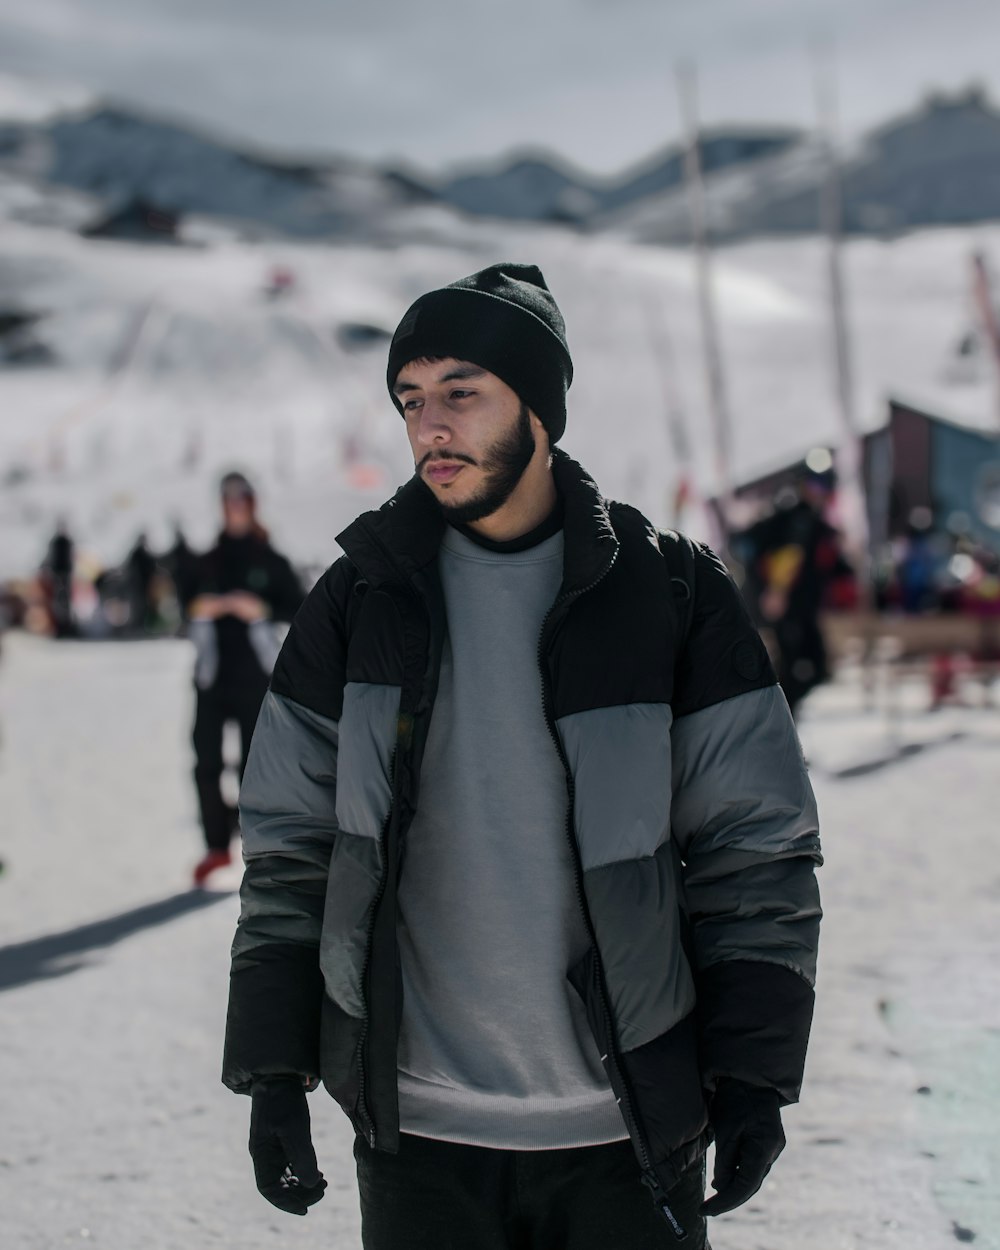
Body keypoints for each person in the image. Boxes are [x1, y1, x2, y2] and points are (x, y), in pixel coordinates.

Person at [222, 264, 822, 1248]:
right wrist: (274, 1069)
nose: (430, 425)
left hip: (623, 1129)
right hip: (415, 1135)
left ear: (539, 410)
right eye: (411, 399)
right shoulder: (359, 597)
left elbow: (752, 842)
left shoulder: (666, 590)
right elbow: (293, 843)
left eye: (461, 391)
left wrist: (751, 1073)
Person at [184, 473, 304, 887]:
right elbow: (183, 603)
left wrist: (260, 608)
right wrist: (204, 606)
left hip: (256, 677)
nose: (235, 507)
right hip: (212, 677)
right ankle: (216, 844)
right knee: (205, 761)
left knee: (255, 767)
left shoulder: (270, 559)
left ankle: (257, 844)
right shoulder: (208, 558)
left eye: (241, 499)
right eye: (228, 500)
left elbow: (301, 610)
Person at [734, 466, 852, 720]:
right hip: (785, 607)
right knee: (795, 668)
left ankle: (779, 722)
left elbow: (827, 567)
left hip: (803, 609)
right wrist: (771, 592)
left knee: (812, 668)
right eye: (815, 486)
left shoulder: (816, 523)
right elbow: (755, 550)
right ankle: (776, 723)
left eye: (825, 487)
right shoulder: (792, 518)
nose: (820, 492)